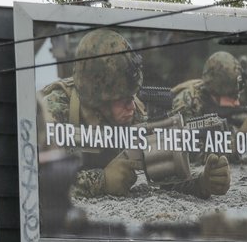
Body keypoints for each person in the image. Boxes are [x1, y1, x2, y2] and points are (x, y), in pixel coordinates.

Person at [41, 28, 230, 200]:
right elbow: (35, 182)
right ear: (98, 99)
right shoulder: (52, 111)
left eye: (132, 97)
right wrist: (101, 181)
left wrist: (203, 183)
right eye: (123, 100)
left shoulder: (133, 114)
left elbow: (163, 177)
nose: (132, 106)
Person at [172, 51, 247, 135]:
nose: (237, 103)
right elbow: (190, 147)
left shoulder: (215, 96)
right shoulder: (186, 103)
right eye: (231, 97)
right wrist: (239, 138)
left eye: (237, 96)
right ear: (214, 93)